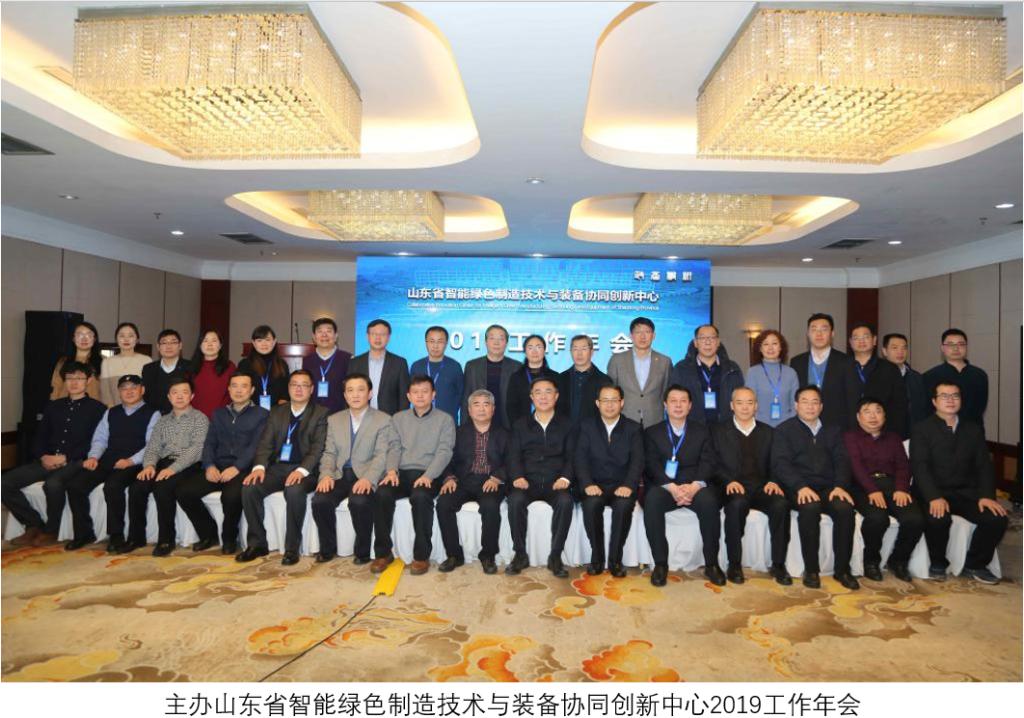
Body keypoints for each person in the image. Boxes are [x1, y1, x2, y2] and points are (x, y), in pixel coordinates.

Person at [911, 381, 1007, 584]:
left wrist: (986, 496)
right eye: (944, 396)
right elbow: (920, 468)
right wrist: (934, 497)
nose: (950, 400)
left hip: (965, 493)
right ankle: (938, 563)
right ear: (934, 401)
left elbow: (983, 466)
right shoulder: (922, 429)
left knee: (996, 518)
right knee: (938, 518)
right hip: (933, 492)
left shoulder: (973, 429)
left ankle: (975, 564)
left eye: (955, 396)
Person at [3, 362, 106, 547]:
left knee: (53, 484)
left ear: (89, 381)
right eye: (69, 378)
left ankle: (51, 531)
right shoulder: (53, 406)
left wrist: (66, 458)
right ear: (64, 381)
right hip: (47, 460)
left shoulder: (98, 409)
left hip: (76, 461)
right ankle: (33, 524)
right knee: (4, 483)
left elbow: (96, 442)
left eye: (79, 378)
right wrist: (43, 456)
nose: (74, 382)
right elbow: (40, 436)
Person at [237, 370, 329, 565]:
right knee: (250, 487)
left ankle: (292, 549)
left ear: (312, 389)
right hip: (279, 468)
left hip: (306, 470)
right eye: (294, 384)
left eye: (304, 385)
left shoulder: (321, 413)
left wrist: (301, 471)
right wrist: (259, 467)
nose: (298, 389)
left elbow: (317, 449)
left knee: (294, 490)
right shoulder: (277, 412)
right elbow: (265, 444)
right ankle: (257, 544)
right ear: (288, 388)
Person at [772, 385, 859, 590]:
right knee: (810, 508)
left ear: (821, 407)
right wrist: (800, 486)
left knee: (845, 509)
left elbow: (842, 460)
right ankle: (811, 570)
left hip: (828, 487)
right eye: (805, 402)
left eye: (815, 402)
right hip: (798, 488)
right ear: (796, 405)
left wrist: (840, 486)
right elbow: (781, 464)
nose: (810, 407)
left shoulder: (833, 430)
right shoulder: (784, 430)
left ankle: (842, 570)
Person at [64, 374, 160, 552]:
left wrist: (130, 461)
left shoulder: (153, 413)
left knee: (113, 486)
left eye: (134, 387)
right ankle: (84, 533)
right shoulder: (111, 412)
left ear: (142, 390)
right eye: (124, 388)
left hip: (134, 463)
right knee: (75, 485)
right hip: (108, 460)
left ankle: (116, 535)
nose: (129, 392)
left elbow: (152, 445)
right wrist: (93, 457)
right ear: (119, 392)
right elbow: (100, 439)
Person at [175, 372, 268, 554]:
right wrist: (209, 465)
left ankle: (229, 538)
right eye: (234, 386)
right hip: (218, 466)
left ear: (252, 390)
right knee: (184, 491)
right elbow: (210, 443)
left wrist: (237, 467)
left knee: (231, 496)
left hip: (244, 468)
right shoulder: (218, 414)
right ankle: (208, 534)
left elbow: (256, 446)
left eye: (244, 386)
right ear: (229, 389)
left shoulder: (261, 414)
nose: (239, 390)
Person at [643, 385, 725, 587]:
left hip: (694, 485)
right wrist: (672, 488)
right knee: (652, 501)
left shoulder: (702, 431)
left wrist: (694, 486)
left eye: (683, 401)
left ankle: (712, 564)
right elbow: (651, 465)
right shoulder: (652, 432)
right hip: (666, 487)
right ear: (665, 405)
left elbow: (709, 462)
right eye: (673, 401)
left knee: (710, 502)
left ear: (690, 406)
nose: (678, 406)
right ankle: (660, 564)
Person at [374, 375, 456, 575]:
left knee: (420, 497)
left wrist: (428, 476)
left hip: (429, 474)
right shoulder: (398, 418)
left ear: (433, 394)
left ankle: (421, 556)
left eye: (425, 392)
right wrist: (391, 471)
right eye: (415, 392)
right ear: (408, 396)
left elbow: (444, 452)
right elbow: (394, 447)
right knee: (382, 493)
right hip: (401, 473)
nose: (420, 396)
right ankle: (383, 553)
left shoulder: (445, 419)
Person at [710, 387, 791, 585]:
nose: (745, 407)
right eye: (739, 403)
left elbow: (778, 462)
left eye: (749, 403)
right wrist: (728, 480)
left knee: (781, 504)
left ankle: (778, 564)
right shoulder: (718, 431)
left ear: (756, 406)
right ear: (732, 406)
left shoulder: (769, 432)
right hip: (733, 487)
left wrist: (774, 480)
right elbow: (712, 463)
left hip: (762, 487)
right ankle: (734, 564)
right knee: (736, 505)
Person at [311, 373, 394, 565]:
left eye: (360, 390)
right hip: (339, 474)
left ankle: (362, 551)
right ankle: (328, 548)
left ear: (370, 393)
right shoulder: (335, 420)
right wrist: (326, 475)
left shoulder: (383, 420)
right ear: (345, 395)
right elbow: (329, 453)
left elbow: (381, 455)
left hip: (365, 474)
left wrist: (368, 479)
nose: (355, 395)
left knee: (359, 501)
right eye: (350, 390)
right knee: (320, 500)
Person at [122, 378, 209, 556]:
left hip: (189, 465)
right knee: (137, 488)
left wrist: (172, 469)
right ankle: (135, 538)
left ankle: (166, 540)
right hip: (163, 463)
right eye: (175, 393)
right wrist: (149, 466)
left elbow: (197, 450)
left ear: (192, 396)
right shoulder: (162, 421)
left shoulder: (200, 418)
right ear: (169, 397)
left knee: (163, 487)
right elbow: (153, 447)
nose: (179, 396)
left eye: (184, 392)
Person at [843, 397, 922, 583]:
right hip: (862, 487)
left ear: (884, 416)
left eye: (878, 411)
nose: (873, 416)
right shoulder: (850, 437)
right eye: (867, 411)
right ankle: (871, 562)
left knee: (915, 519)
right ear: (858, 417)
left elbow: (903, 466)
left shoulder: (893, 438)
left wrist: (901, 488)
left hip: (892, 486)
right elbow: (856, 467)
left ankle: (898, 561)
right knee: (877, 518)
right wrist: (872, 490)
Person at [505, 377, 577, 578]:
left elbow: (573, 456)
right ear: (531, 397)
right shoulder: (520, 425)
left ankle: (555, 556)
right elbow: (513, 455)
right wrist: (517, 476)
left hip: (556, 482)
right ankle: (520, 554)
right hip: (527, 482)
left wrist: (565, 478)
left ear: (556, 396)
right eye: (538, 392)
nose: (543, 397)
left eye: (548, 391)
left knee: (565, 502)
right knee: (515, 500)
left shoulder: (568, 425)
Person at [435, 389, 510, 575]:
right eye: (476, 404)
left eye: (486, 404)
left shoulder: (505, 433)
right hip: (463, 481)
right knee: (443, 503)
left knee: (490, 505)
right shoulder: (458, 432)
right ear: (469, 410)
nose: (481, 409)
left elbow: (512, 460)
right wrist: (449, 478)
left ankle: (488, 555)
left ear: (493, 409)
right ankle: (454, 555)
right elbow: (446, 458)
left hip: (490, 481)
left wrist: (497, 477)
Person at [575, 384, 643, 578]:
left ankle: (615, 561)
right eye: (605, 400)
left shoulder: (633, 428)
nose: (610, 405)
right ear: (597, 403)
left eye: (614, 400)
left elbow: (638, 461)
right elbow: (580, 458)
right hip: (594, 485)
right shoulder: (587, 426)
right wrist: (587, 483)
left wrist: (628, 485)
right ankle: (597, 558)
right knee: (591, 505)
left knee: (623, 507)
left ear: (622, 403)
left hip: (622, 486)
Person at [669, 324, 744, 425]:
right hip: (693, 427)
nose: (708, 342)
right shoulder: (681, 368)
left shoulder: (732, 368)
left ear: (718, 342)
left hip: (725, 427)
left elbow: (741, 399)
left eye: (712, 338)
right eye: (702, 338)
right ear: (695, 343)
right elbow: (673, 399)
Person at [605, 317, 672, 427]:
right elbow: (610, 392)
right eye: (638, 332)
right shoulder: (617, 360)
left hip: (655, 421)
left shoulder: (665, 362)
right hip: (625, 420)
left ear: (653, 336)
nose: (642, 336)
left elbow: (667, 392)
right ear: (631, 336)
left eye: (647, 332)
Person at [789, 313, 852, 430]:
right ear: (808, 334)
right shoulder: (797, 362)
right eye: (814, 329)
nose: (819, 334)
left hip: (836, 427)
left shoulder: (846, 361)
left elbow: (851, 399)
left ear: (832, 334)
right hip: (803, 426)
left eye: (824, 329)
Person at [845, 323, 906, 438]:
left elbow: (899, 406)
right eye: (856, 338)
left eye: (866, 337)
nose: (861, 341)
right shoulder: (842, 367)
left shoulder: (890, 369)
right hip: (849, 434)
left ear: (874, 340)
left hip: (882, 433)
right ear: (850, 342)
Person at [923, 329, 989, 429]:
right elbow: (927, 409)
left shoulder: (980, 375)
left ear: (966, 347)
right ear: (942, 348)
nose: (956, 348)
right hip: (940, 431)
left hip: (973, 430)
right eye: (950, 344)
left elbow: (980, 407)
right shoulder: (930, 376)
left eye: (961, 344)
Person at [462, 324, 522, 430]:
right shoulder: (472, 366)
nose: (496, 343)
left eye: (501, 339)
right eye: (492, 338)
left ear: (506, 343)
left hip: (508, 424)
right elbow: (466, 398)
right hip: (478, 423)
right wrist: (464, 426)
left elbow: (520, 401)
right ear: (486, 342)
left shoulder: (516, 367)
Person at [349, 319, 410, 415]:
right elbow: (348, 391)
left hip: (389, 418)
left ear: (388, 337)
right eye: (374, 334)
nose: (378, 338)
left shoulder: (399, 363)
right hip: (361, 416)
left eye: (382, 334)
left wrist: (401, 420)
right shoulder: (355, 363)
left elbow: (404, 397)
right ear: (367, 336)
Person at [410, 326, 464, 422]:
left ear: (446, 343)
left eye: (440, 341)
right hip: (421, 421)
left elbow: (461, 396)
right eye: (432, 341)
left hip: (447, 422)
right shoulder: (417, 366)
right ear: (426, 343)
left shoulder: (454, 366)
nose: (435, 346)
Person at [880, 333, 930, 438]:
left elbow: (923, 408)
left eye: (904, 348)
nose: (900, 352)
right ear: (884, 351)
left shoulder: (917, 378)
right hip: (886, 435)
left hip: (914, 434)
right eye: (895, 348)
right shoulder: (876, 377)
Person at [745, 329, 799, 427]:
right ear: (760, 349)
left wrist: (787, 424)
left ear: (780, 347)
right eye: (766, 344)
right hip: (759, 426)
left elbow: (795, 404)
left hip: (786, 427)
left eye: (774, 343)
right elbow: (749, 403)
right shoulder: (752, 372)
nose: (770, 348)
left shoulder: (791, 373)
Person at [505, 334, 560, 427]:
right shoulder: (516, 377)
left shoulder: (555, 376)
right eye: (530, 348)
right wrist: (518, 427)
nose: (534, 351)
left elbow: (560, 405)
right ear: (525, 351)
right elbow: (511, 406)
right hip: (523, 427)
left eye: (538, 347)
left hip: (550, 427)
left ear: (544, 350)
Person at [301, 317, 352, 415]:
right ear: (314, 337)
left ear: (336, 336)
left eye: (329, 331)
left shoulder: (348, 359)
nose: (324, 335)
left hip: (340, 415)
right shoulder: (306, 361)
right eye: (320, 331)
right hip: (312, 415)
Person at [555, 334, 609, 425]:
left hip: (593, 432)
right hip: (564, 431)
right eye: (575, 349)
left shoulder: (604, 380)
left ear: (592, 352)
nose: (579, 353)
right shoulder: (560, 379)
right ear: (570, 352)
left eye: (584, 349)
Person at [238, 325, 291, 410]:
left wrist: (278, 412)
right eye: (259, 340)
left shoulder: (282, 364)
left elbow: (285, 394)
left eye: (267, 340)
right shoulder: (245, 364)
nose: (264, 344)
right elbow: (240, 390)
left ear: (274, 341)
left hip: (276, 412)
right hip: (250, 411)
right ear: (253, 343)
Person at [99, 322, 152, 407]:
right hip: (115, 410)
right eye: (122, 336)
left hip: (141, 410)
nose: (126, 339)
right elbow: (105, 394)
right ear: (116, 339)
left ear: (137, 339)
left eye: (131, 336)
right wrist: (113, 411)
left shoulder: (146, 360)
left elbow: (150, 390)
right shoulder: (107, 362)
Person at [142, 329, 192, 414]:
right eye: (164, 343)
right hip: (154, 417)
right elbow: (145, 396)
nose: (169, 346)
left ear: (180, 346)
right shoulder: (148, 369)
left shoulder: (190, 367)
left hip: (182, 416)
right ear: (158, 347)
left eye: (173, 342)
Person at [189, 329, 236, 419]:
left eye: (214, 341)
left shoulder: (229, 367)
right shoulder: (191, 367)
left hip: (223, 419)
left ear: (220, 345)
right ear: (200, 345)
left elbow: (234, 394)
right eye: (205, 340)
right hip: (196, 420)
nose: (210, 344)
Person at [50, 321, 102, 400]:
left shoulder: (104, 362)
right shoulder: (63, 361)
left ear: (94, 339)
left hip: (94, 406)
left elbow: (108, 390)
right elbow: (56, 387)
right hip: (66, 405)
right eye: (80, 335)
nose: (84, 338)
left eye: (89, 335)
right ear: (73, 339)